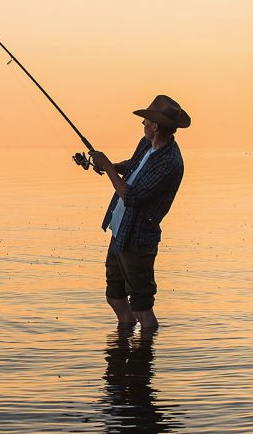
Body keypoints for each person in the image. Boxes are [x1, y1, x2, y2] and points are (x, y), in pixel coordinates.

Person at [87, 95, 190, 329]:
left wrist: (107, 167)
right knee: (114, 296)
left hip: (138, 240)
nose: (143, 124)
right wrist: (110, 166)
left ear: (155, 126)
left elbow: (131, 197)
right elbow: (132, 166)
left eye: (146, 121)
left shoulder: (170, 162)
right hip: (120, 231)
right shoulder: (146, 144)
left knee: (142, 308)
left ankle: (144, 356)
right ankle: (124, 347)